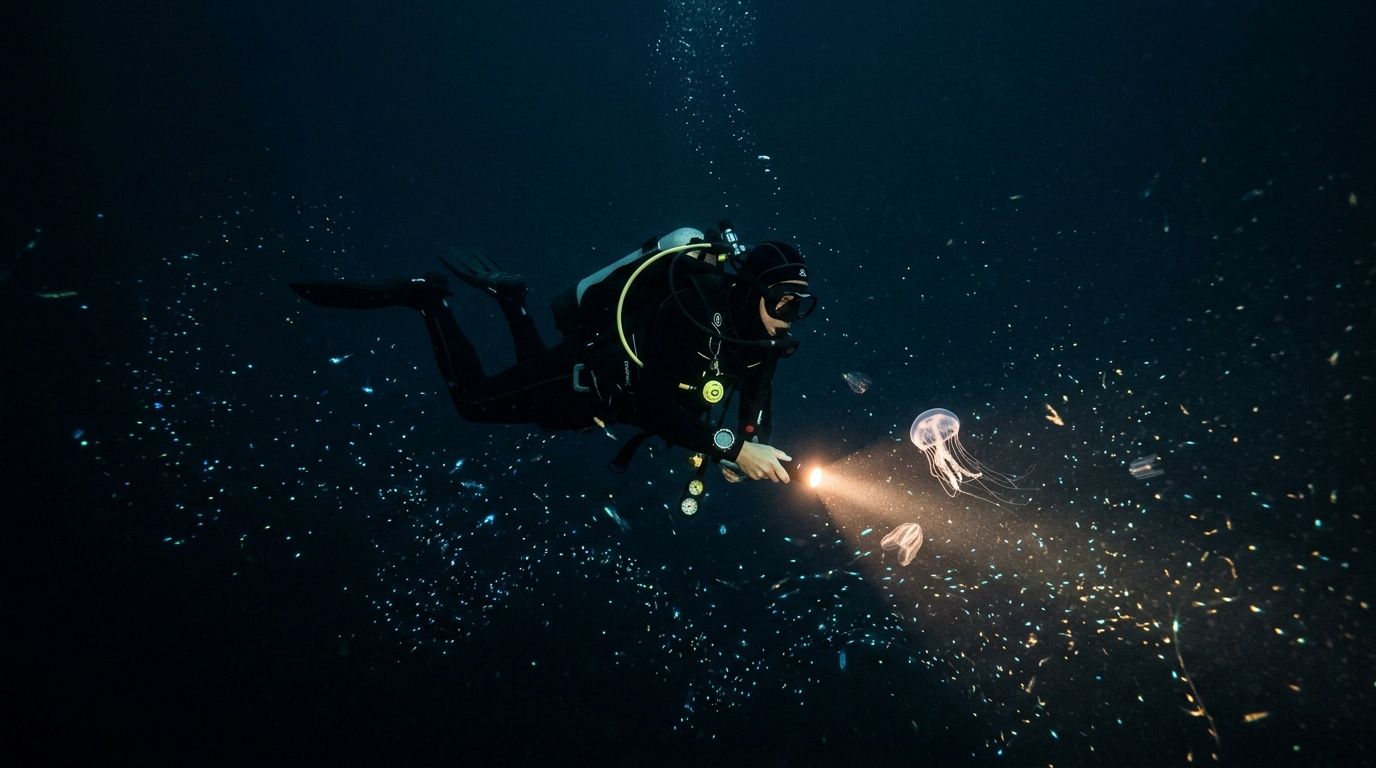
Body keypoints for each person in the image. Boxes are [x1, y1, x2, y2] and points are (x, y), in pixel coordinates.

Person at [289, 225, 815, 485]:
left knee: (542, 412)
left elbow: (757, 395)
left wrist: (752, 442)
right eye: (782, 300)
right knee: (474, 402)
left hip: (603, 404)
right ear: (751, 290)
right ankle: (429, 299)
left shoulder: (763, 337)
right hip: (586, 377)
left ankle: (511, 299)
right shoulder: (691, 309)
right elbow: (658, 406)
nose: (789, 315)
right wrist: (732, 450)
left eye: (800, 305)